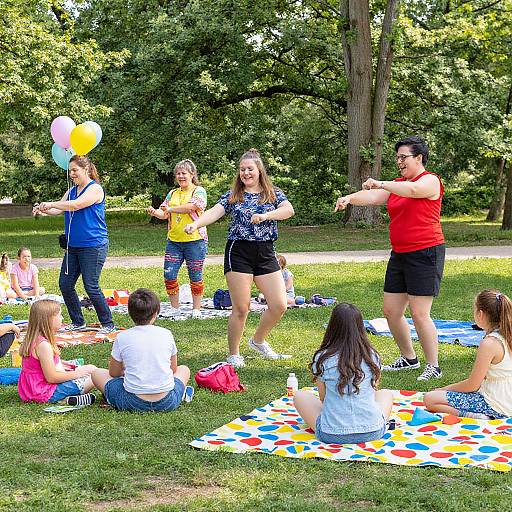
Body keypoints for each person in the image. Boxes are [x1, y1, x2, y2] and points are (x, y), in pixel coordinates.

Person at [335, 136, 445, 381]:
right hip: (401, 253)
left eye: (403, 157)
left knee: (419, 313)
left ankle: (433, 365)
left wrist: (381, 182)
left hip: (426, 251)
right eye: (397, 158)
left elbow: (414, 191)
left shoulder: (430, 181)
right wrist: (350, 198)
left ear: (419, 158)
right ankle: (409, 358)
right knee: (391, 311)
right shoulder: (396, 185)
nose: (399, 162)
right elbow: (373, 198)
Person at [185, 148, 295, 368]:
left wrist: (266, 215)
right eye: (242, 169)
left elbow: (288, 210)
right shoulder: (233, 195)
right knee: (241, 308)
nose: (246, 173)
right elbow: (215, 211)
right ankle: (234, 354)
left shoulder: (272, 193)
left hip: (265, 252)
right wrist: (196, 223)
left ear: (259, 170)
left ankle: (258, 341)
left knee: (279, 305)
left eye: (250, 169)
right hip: (239, 252)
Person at [33, 155, 115, 335]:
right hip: (73, 247)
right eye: (70, 171)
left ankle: (107, 323)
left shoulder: (95, 189)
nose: (71, 174)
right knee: (65, 284)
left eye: (75, 170)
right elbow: (58, 209)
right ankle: (78, 321)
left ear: (86, 169)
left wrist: (52, 203)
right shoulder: (71, 191)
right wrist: (42, 209)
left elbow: (77, 205)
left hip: (93, 245)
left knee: (91, 286)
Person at [294, 303, 393, 444]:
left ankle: (338, 417)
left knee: (300, 396)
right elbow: (373, 389)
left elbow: (323, 398)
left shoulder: (323, 357)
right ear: (360, 328)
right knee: (386, 393)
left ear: (332, 327)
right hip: (373, 431)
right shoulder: (372, 356)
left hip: (331, 434)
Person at [91, 288, 193, 412]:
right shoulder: (166, 334)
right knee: (184, 370)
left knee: (96, 374)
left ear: (130, 313)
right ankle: (181, 394)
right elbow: (173, 369)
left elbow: (114, 373)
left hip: (131, 401)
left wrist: (126, 370)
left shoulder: (122, 337)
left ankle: (112, 398)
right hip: (167, 401)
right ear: (155, 313)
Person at [424, 290, 512, 419]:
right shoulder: (507, 335)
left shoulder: (489, 343)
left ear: (480, 314)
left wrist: (444, 389)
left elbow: (472, 385)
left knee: (430, 398)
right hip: (506, 399)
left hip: (495, 403)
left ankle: (478, 416)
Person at [147, 159, 207, 319]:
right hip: (174, 241)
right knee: (169, 274)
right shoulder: (172, 193)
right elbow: (164, 213)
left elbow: (192, 207)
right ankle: (175, 308)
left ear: (192, 175)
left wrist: (171, 209)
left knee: (195, 274)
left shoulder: (199, 191)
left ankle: (196, 309)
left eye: (184, 173)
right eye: (178, 173)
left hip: (195, 241)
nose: (180, 176)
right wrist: (155, 212)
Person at [18, 299, 98, 405]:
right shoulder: (43, 345)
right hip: (44, 392)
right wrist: (78, 374)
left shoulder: (35, 339)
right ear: (48, 319)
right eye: (60, 315)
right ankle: (64, 399)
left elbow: (41, 366)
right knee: (94, 375)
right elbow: (52, 377)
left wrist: (63, 365)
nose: (62, 318)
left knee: (90, 368)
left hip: (32, 389)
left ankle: (69, 399)